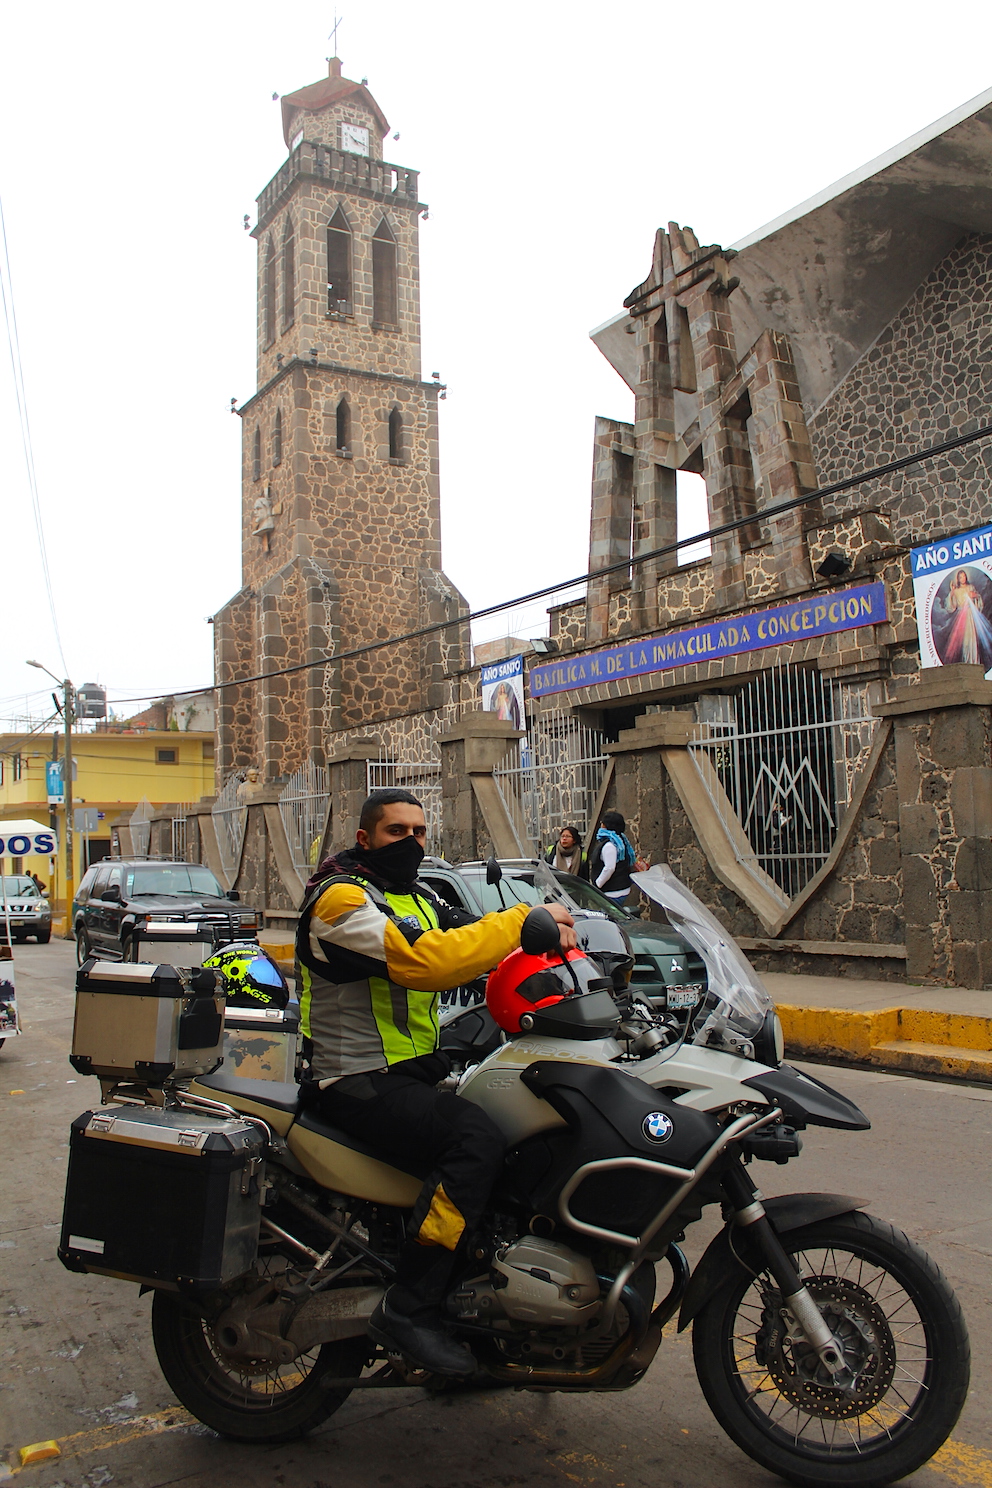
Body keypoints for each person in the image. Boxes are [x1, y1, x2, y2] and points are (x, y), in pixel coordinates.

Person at [295, 788, 576, 1377]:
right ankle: (410, 1308)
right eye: (398, 832)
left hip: (409, 1072)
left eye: (420, 832)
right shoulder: (338, 901)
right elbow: (429, 962)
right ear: (364, 839)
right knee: (474, 1142)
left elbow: (475, 945)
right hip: (353, 1080)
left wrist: (566, 947)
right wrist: (520, 920)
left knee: (518, 1120)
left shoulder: (417, 897)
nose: (412, 843)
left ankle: (477, 1324)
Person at [589, 811, 638, 904]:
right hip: (621, 888)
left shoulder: (610, 845)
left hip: (612, 892)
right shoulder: (621, 840)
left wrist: (597, 884)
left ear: (605, 825)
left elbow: (609, 868)